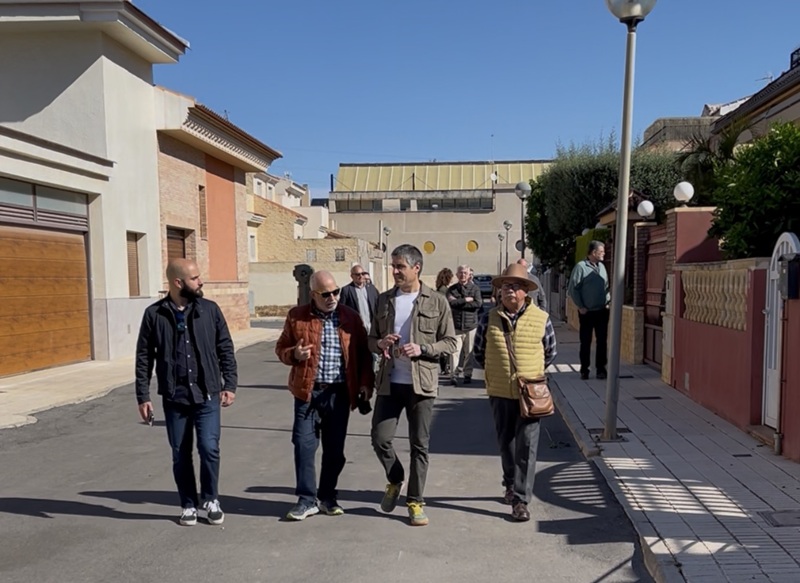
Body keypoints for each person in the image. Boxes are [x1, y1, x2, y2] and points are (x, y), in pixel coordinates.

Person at [135, 258, 238, 527]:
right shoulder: (154, 314)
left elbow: (225, 347)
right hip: (175, 397)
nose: (200, 281)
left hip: (207, 394)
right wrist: (142, 396)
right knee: (180, 453)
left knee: (209, 448)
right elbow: (144, 357)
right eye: (194, 278)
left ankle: (211, 499)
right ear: (178, 282)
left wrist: (230, 385)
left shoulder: (209, 310)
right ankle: (188, 504)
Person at [275, 270, 375, 520]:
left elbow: (364, 354)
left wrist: (365, 384)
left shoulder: (350, 318)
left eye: (336, 291)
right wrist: (294, 355)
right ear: (313, 295)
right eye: (326, 294)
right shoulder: (297, 316)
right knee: (304, 445)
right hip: (307, 393)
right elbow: (281, 348)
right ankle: (306, 499)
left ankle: (328, 496)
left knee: (334, 450)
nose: (332, 297)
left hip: (339, 394)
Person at [369, 244, 457, 526]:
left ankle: (416, 502)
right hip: (389, 382)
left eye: (400, 267)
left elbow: (451, 341)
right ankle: (395, 479)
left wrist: (424, 349)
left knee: (420, 446)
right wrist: (380, 343)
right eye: (393, 266)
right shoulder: (384, 300)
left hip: (422, 385)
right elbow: (371, 339)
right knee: (380, 438)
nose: (394, 271)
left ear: (416, 268)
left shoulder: (436, 300)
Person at [473, 263, 557, 522]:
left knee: (528, 446)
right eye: (505, 286)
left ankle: (521, 500)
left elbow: (550, 352)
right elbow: (479, 353)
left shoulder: (541, 318)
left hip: (530, 392)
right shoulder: (489, 317)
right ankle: (510, 482)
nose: (509, 291)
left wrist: (529, 373)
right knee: (506, 442)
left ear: (525, 292)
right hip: (499, 390)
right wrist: (497, 372)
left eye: (515, 286)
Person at [568, 241, 610, 380]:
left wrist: (608, 301)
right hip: (587, 312)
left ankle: (601, 369)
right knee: (585, 341)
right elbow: (573, 288)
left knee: (602, 341)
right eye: (601, 251)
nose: (604, 253)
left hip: (601, 311)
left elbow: (606, 287)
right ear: (593, 253)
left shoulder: (602, 267)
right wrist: (580, 306)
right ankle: (584, 369)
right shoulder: (581, 267)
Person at [446, 264, 482, 385]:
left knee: (469, 352)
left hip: (470, 326)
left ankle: (467, 374)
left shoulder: (475, 288)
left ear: (469, 275)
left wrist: (458, 302)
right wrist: (466, 300)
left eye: (465, 273)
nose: (463, 275)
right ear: (457, 275)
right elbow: (450, 304)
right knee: (454, 352)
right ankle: (453, 375)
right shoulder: (452, 289)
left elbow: (478, 304)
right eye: (460, 273)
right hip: (456, 326)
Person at [339, 263, 379, 332]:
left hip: (372, 328)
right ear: (352, 276)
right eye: (358, 274)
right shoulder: (346, 290)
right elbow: (342, 310)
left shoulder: (371, 288)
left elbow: (378, 305)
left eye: (362, 274)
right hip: (356, 328)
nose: (361, 276)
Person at [434, 267, 455, 376]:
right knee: (446, 343)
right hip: (444, 319)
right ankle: (445, 367)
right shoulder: (446, 291)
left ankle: (443, 367)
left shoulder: (438, 289)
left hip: (437, 319)